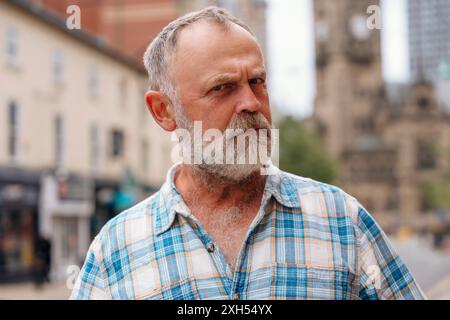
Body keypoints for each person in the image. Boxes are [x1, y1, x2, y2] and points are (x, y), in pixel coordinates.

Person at [71, 6, 425, 300]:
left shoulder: (344, 222)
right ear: (164, 111)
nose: (251, 103)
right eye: (221, 88)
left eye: (257, 81)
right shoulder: (115, 250)